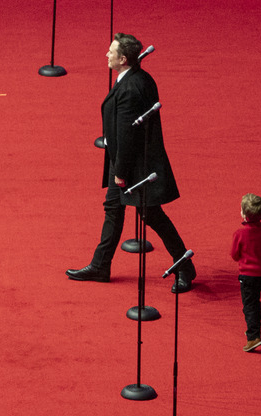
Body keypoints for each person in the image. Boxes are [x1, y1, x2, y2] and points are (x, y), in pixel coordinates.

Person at [66, 33, 196, 292]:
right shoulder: (138, 77)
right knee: (114, 211)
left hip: (133, 166)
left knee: (151, 214)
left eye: (111, 52)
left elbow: (126, 134)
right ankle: (100, 265)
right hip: (128, 161)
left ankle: (184, 266)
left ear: (124, 59)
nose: (106, 55)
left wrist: (121, 172)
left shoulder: (130, 88)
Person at [231, 193, 261, 352]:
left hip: (247, 276)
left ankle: (253, 337)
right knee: (254, 301)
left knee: (250, 305)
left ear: (244, 214)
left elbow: (234, 255)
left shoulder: (240, 233)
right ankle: (254, 329)